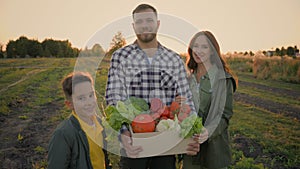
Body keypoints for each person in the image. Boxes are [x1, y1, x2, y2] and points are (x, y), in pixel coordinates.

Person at [105, 3, 200, 169]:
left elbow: (187, 99)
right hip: (135, 141)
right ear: (134, 26)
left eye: (149, 20)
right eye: (139, 22)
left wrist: (191, 132)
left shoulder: (173, 59)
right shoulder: (121, 57)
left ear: (158, 23)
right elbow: (114, 96)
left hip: (166, 141)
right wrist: (124, 132)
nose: (145, 25)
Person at [177, 31, 237, 169]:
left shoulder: (223, 79)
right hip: (190, 149)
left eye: (204, 47)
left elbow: (224, 115)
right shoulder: (187, 79)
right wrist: (178, 104)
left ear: (212, 51)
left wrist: (208, 131)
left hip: (214, 151)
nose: (198, 51)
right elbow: (183, 112)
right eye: (195, 46)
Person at [47, 72, 111, 169]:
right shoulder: (63, 134)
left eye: (91, 95)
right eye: (81, 98)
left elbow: (103, 158)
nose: (89, 102)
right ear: (69, 104)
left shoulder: (100, 123)